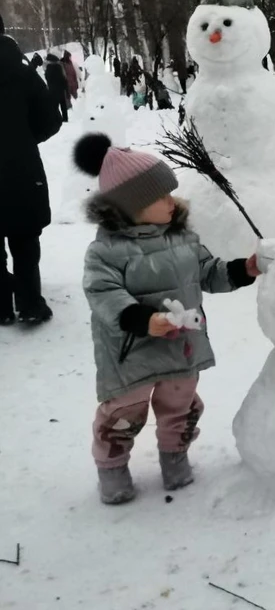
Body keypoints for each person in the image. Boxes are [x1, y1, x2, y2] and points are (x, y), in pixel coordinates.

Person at [72, 133, 261, 504]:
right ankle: (112, 470)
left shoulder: (184, 239)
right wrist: (144, 320)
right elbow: (103, 293)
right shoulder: (106, 252)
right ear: (131, 206)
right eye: (161, 196)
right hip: (131, 351)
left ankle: (175, 459)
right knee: (124, 415)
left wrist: (244, 270)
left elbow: (209, 272)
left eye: (170, 192)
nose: (172, 202)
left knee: (181, 408)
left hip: (182, 347)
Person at [0, 33, 62, 325]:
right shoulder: (24, 74)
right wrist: (24, 141)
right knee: (24, 239)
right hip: (21, 172)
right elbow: (51, 119)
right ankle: (29, 304)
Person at [44, 53, 70, 122]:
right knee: (63, 105)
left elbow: (47, 78)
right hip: (60, 90)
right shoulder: (59, 67)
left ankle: (56, 119)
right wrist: (66, 89)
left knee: (54, 106)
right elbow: (63, 79)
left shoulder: (48, 69)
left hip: (52, 91)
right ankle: (65, 118)